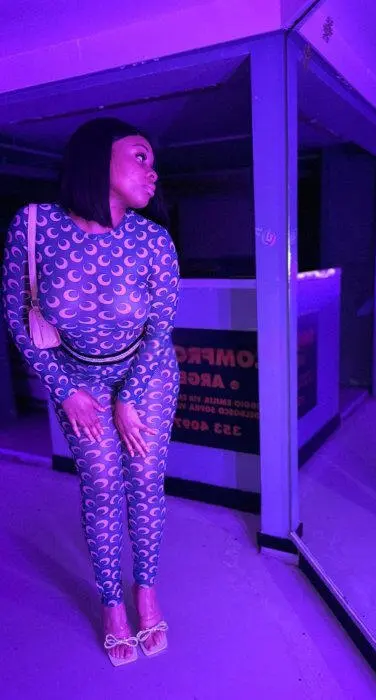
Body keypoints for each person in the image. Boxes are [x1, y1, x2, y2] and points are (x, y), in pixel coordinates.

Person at [2, 118, 180, 665]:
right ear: (98, 157)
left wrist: (128, 397)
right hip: (76, 380)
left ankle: (145, 591)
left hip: (146, 375)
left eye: (153, 162)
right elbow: (16, 316)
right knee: (102, 487)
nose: (152, 172)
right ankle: (111, 603)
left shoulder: (153, 240)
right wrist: (64, 389)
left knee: (144, 482)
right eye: (140, 156)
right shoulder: (34, 225)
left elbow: (161, 328)